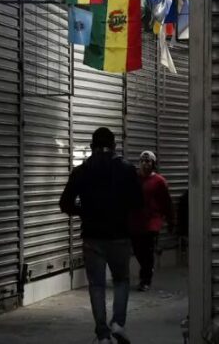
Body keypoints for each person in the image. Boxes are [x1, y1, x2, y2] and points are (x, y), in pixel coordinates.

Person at [60, 127, 143, 344]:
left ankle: (102, 334)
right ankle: (118, 324)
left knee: (96, 285)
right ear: (115, 145)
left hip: (92, 235)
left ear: (91, 146)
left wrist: (83, 211)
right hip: (119, 235)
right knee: (121, 280)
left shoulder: (81, 170)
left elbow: (65, 203)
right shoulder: (126, 169)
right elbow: (138, 202)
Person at [130, 151, 175, 292]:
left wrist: (171, 220)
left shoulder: (159, 181)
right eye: (142, 161)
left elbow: (166, 203)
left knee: (147, 251)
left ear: (153, 164)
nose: (145, 164)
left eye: (148, 161)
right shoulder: (134, 179)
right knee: (138, 250)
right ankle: (147, 269)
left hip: (152, 222)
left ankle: (145, 279)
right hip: (136, 221)